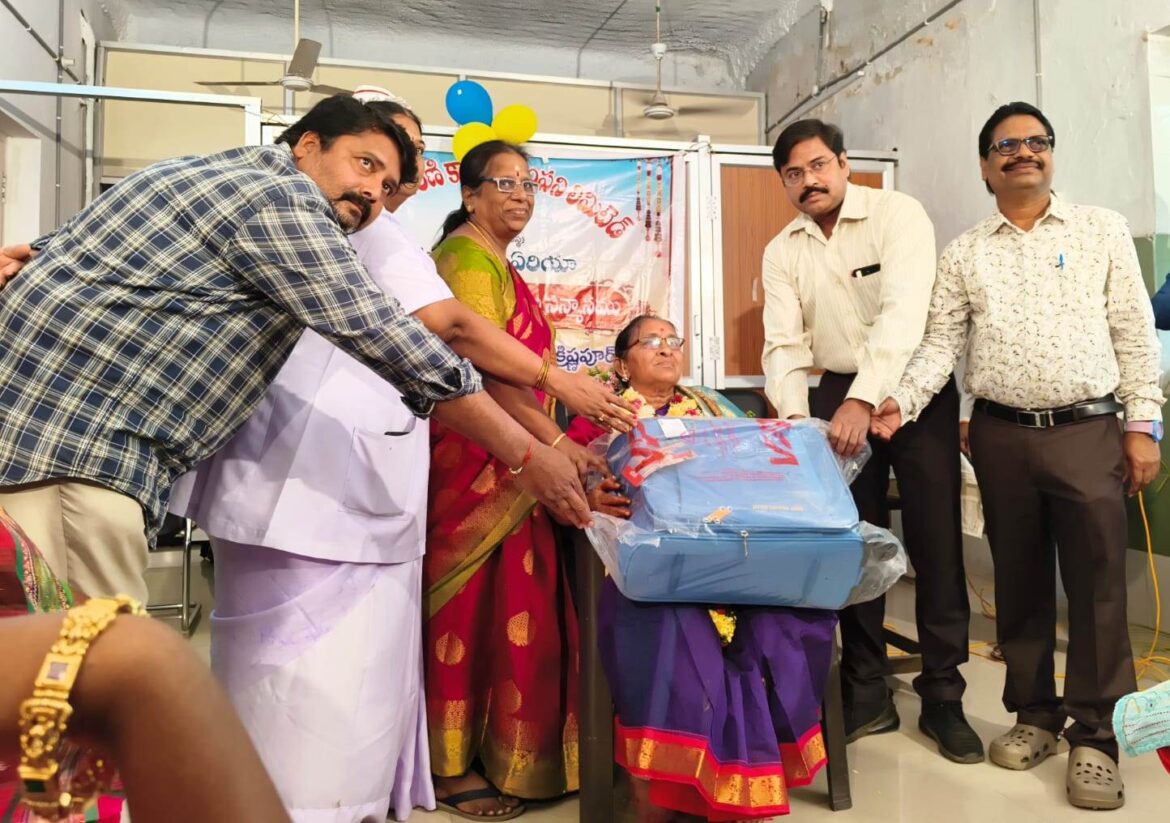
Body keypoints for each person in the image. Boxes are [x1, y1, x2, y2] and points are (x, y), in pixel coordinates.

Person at [170, 92, 628, 823]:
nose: (387, 182)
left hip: (341, 480)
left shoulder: (372, 233)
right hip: (327, 479)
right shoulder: (345, 229)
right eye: (373, 161)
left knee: (345, 679)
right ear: (311, 146)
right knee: (298, 678)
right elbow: (453, 339)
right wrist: (546, 419)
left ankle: (336, 798)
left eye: (399, 168)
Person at [0, 95, 591, 608]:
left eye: (389, 185)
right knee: (82, 670)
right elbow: (397, 338)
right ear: (308, 144)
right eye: (365, 163)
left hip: (57, 449)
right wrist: (529, 452)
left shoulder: (194, 173)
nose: (372, 192)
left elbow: (52, 253)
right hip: (78, 457)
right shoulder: (283, 202)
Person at [872, 101, 1164, 811]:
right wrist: (900, 401)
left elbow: (1134, 332)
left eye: (1036, 141)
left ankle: (1095, 736)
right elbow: (941, 344)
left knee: (1097, 587)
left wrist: (1142, 425)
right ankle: (1034, 713)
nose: (1023, 152)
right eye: (1006, 145)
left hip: (1088, 429)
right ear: (985, 165)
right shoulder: (966, 252)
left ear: (1052, 155)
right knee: (1020, 580)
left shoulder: (1100, 230)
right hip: (999, 435)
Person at [760, 118, 980, 763]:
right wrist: (799, 423)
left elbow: (904, 314)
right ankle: (866, 689)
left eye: (817, 165)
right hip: (833, 394)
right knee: (849, 546)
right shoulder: (782, 250)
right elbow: (783, 344)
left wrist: (868, 397)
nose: (808, 181)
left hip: (914, 389)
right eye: (794, 174)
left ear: (843, 164)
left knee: (935, 543)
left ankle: (943, 695)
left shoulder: (897, 214)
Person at [565, 315, 838, 822]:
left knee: (788, 622)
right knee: (673, 632)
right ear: (622, 364)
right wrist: (590, 498)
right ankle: (660, 791)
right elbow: (566, 480)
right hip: (647, 574)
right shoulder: (599, 418)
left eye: (673, 340)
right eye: (651, 341)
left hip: (735, 563)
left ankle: (746, 787)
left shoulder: (714, 408)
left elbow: (763, 468)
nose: (666, 348)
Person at [426, 140, 595, 818]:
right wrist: (553, 438)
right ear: (469, 195)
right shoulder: (466, 258)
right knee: (469, 610)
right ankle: (449, 766)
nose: (520, 194)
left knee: (515, 611)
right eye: (504, 182)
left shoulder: (496, 261)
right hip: (477, 458)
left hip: (514, 458)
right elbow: (479, 369)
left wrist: (558, 443)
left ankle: (515, 755)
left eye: (528, 183)